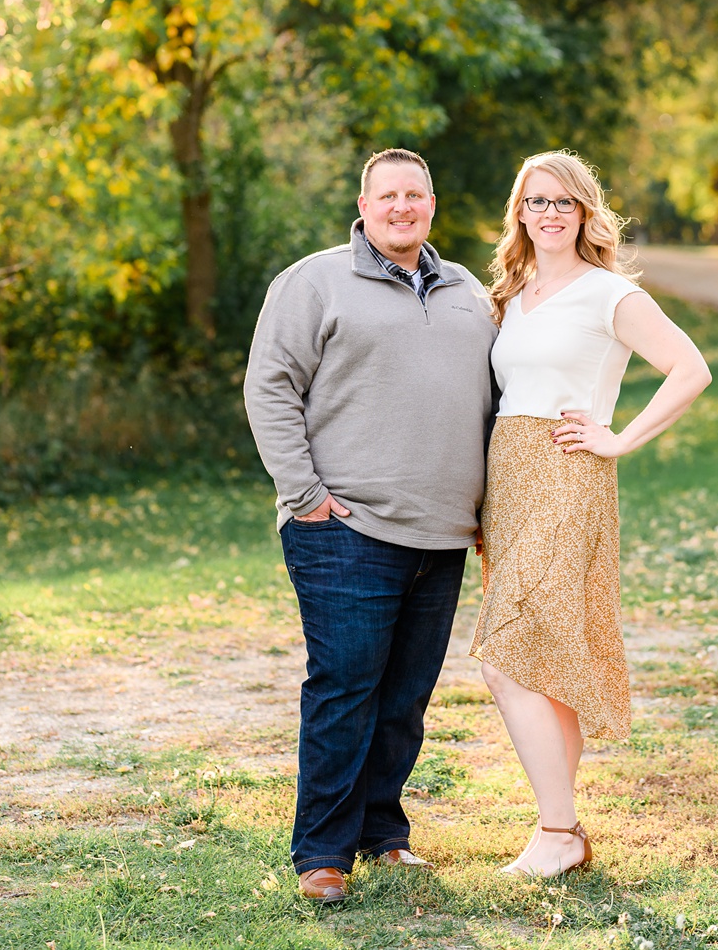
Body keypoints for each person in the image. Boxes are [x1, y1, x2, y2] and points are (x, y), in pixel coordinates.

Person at [245, 148, 497, 904]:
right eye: (387, 195)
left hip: (442, 534)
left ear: (431, 204)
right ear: (364, 204)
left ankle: (381, 834)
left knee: (404, 697)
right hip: (343, 530)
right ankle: (322, 855)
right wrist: (306, 493)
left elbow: (490, 405)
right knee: (346, 687)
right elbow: (270, 387)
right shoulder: (315, 280)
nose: (401, 207)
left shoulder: (467, 292)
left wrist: (487, 510)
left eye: (414, 195)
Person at [470, 149, 711, 877]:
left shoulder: (609, 293)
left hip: (570, 474)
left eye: (563, 202)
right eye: (536, 202)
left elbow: (691, 367)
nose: (549, 214)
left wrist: (620, 439)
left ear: (584, 212)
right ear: (519, 212)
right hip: (508, 482)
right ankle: (557, 832)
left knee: (505, 657)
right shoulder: (511, 294)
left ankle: (560, 832)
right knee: (546, 658)